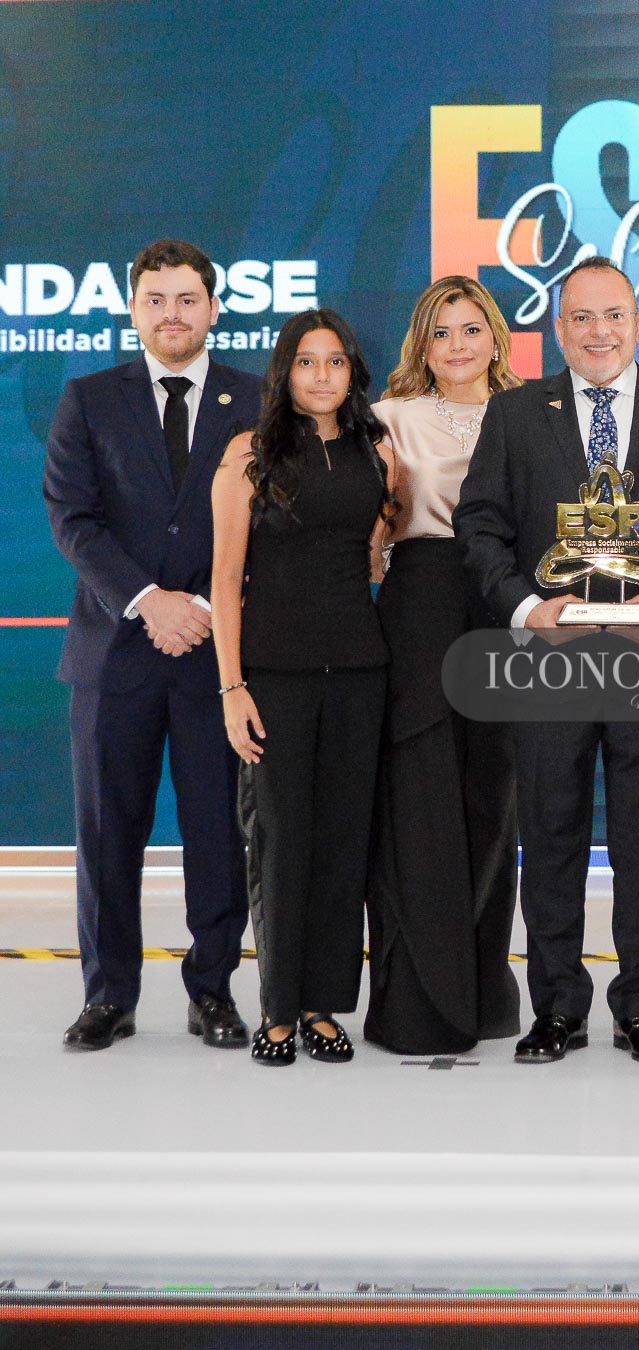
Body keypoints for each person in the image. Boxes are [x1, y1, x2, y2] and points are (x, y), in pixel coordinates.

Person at [453, 256, 639, 1066]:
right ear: (558, 329)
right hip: (550, 659)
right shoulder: (515, 413)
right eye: (580, 317)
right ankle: (557, 1009)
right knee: (550, 838)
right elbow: (480, 525)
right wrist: (525, 609)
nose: (598, 332)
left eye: (613, 316)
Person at [43, 238, 261, 1052]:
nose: (172, 315)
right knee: (107, 835)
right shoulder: (89, 398)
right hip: (114, 654)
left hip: (217, 653)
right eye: (156, 300)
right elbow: (73, 518)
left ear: (214, 309)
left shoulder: (257, 399)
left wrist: (201, 606)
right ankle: (108, 997)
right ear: (133, 310)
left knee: (218, 835)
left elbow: (276, 516)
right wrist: (148, 602)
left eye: (187, 299)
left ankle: (213, 992)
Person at [211, 310, 390, 1066]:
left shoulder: (377, 450)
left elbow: (376, 556)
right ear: (284, 372)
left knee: (344, 842)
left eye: (336, 361)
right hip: (274, 676)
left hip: (359, 672)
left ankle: (322, 1006)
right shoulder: (247, 455)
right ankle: (277, 1010)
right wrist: (232, 686)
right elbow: (225, 582)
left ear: (353, 371)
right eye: (307, 361)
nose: (322, 375)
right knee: (281, 841)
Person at [364, 277, 523, 1054]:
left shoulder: (532, 416)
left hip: (506, 609)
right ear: (421, 346)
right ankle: (419, 1003)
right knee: (417, 798)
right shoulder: (389, 417)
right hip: (420, 608)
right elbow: (366, 532)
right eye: (441, 332)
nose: (457, 345)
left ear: (494, 336)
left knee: (492, 797)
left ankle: (484, 993)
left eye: (470, 329)